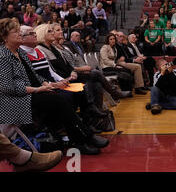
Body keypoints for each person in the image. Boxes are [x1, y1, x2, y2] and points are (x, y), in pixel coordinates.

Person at [0, 18, 109, 155]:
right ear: (4, 37)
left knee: (58, 96)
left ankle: (80, 138)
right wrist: (38, 89)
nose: (19, 34)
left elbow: (34, 76)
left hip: (30, 94)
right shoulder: (3, 56)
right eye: (15, 32)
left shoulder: (20, 52)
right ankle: (83, 138)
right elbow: (8, 88)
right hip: (13, 101)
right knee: (57, 99)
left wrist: (46, 84)